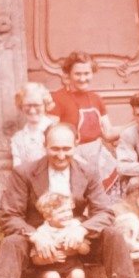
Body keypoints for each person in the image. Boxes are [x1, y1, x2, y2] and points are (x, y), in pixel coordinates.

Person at [0, 122, 139, 278]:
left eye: (67, 149)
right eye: (55, 149)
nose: (61, 155)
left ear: (76, 145)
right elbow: (9, 215)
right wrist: (36, 236)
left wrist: (82, 229)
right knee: (12, 242)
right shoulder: (24, 173)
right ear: (45, 146)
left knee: (113, 234)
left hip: (77, 240)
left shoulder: (88, 171)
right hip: (41, 243)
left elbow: (104, 211)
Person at [51, 51, 123, 199]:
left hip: (97, 155)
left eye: (87, 73)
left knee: (107, 197)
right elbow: (51, 134)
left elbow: (108, 133)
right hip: (72, 157)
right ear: (68, 74)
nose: (83, 78)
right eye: (77, 74)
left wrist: (136, 124)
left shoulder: (96, 99)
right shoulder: (57, 98)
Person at [31, 191, 92, 278]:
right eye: (61, 212)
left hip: (71, 268)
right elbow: (34, 259)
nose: (67, 214)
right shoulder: (42, 232)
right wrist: (49, 259)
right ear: (48, 216)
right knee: (53, 277)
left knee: (78, 274)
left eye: (68, 210)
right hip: (49, 270)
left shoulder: (75, 227)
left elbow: (86, 250)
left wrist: (78, 245)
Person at [10, 82, 55, 168]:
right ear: (21, 106)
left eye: (36, 105)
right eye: (27, 105)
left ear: (45, 105)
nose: (32, 111)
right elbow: (18, 169)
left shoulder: (57, 131)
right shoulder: (17, 139)